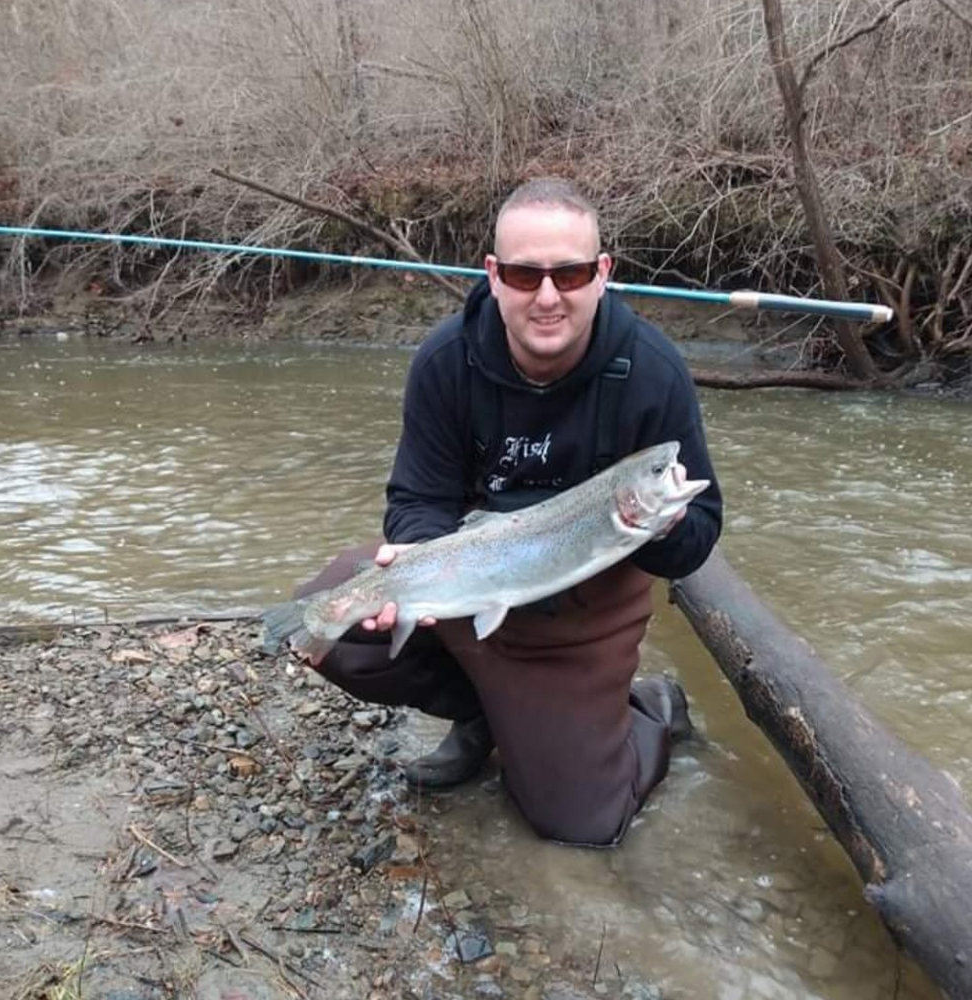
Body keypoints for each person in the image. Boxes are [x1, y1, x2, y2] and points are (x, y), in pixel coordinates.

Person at [293, 177, 722, 846]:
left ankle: (653, 710)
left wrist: (659, 525)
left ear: (602, 274)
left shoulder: (651, 373)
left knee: (583, 826)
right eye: (525, 275)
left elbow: (699, 536)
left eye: (570, 273)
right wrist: (416, 561)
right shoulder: (445, 362)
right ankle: (487, 714)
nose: (548, 296)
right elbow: (418, 500)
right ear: (493, 276)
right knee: (326, 617)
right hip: (465, 591)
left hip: (580, 624)